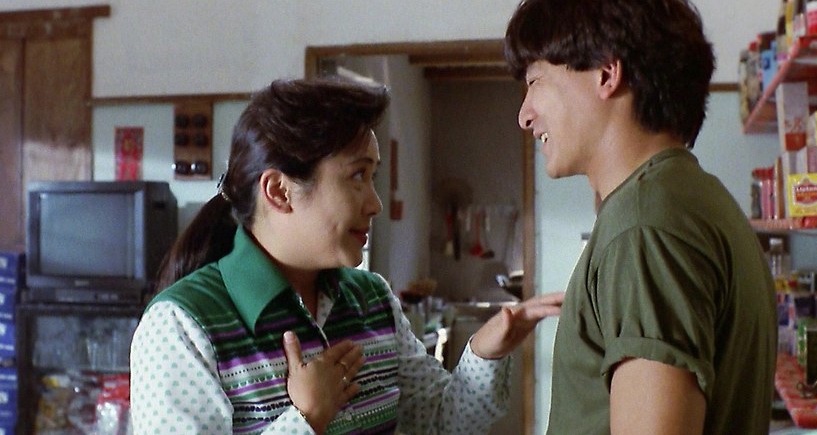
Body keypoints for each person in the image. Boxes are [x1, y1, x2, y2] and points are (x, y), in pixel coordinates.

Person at [129, 78, 563, 435]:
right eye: (357, 176)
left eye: (373, 177)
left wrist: (485, 353)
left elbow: (438, 422)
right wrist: (306, 419)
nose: (374, 203)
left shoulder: (371, 299)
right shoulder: (180, 326)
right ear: (279, 191)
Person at [504, 0, 776, 434]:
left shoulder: (643, 225)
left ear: (606, 73)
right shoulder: (695, 198)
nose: (525, 115)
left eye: (536, 82)